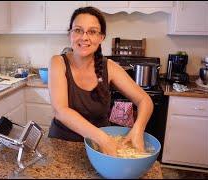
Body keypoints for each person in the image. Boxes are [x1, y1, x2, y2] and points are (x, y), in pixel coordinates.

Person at [47, 6, 153, 157]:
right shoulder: (58, 62)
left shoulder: (110, 67)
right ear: (70, 34)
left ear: (101, 37)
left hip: (100, 148)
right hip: (63, 144)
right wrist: (103, 139)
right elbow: (61, 110)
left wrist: (138, 130)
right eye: (78, 30)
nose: (84, 37)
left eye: (92, 31)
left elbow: (145, 100)